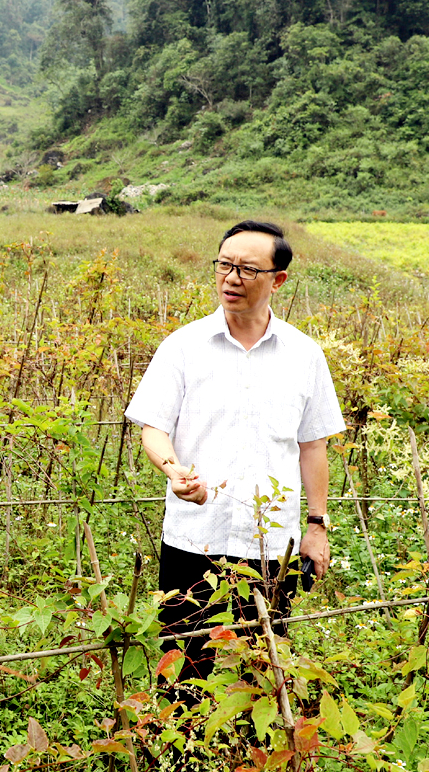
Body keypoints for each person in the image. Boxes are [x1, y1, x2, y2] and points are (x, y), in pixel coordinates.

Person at [125, 219, 345, 702]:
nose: (232, 278)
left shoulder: (304, 355)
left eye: (247, 269)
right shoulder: (183, 347)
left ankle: (252, 771)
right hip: (194, 537)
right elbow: (153, 427)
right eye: (224, 265)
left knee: (261, 671)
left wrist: (317, 524)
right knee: (184, 662)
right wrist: (173, 469)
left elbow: (312, 445)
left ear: (278, 280)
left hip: (271, 543)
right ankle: (177, 771)